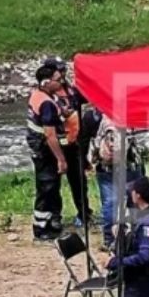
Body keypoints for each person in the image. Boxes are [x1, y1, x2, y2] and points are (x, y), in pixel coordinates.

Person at [43, 56, 93, 227]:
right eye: (60, 70)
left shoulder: (71, 90)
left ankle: (85, 213)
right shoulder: (46, 96)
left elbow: (88, 97)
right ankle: (54, 217)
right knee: (52, 184)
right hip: (55, 145)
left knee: (79, 182)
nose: (63, 73)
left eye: (64, 69)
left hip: (74, 144)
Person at [89, 110, 144, 251]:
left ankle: (111, 239)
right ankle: (129, 237)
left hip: (106, 169)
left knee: (110, 203)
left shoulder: (101, 117)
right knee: (131, 201)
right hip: (126, 168)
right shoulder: (118, 121)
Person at [26, 64, 68, 241]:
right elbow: (50, 135)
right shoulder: (46, 103)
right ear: (46, 82)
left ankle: (51, 222)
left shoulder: (40, 95)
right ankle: (41, 230)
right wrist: (61, 159)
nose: (61, 82)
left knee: (51, 188)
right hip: (46, 152)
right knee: (46, 188)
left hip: (39, 149)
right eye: (58, 80)